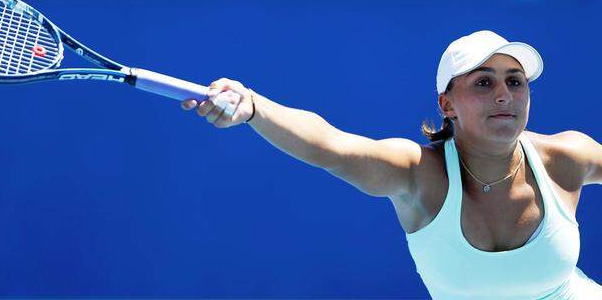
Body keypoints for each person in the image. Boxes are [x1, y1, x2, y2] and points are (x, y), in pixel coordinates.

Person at [181, 30, 602, 299]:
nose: (504, 94)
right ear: (447, 104)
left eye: (515, 81)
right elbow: (330, 145)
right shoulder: (417, 174)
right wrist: (254, 106)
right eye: (483, 82)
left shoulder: (565, 158)